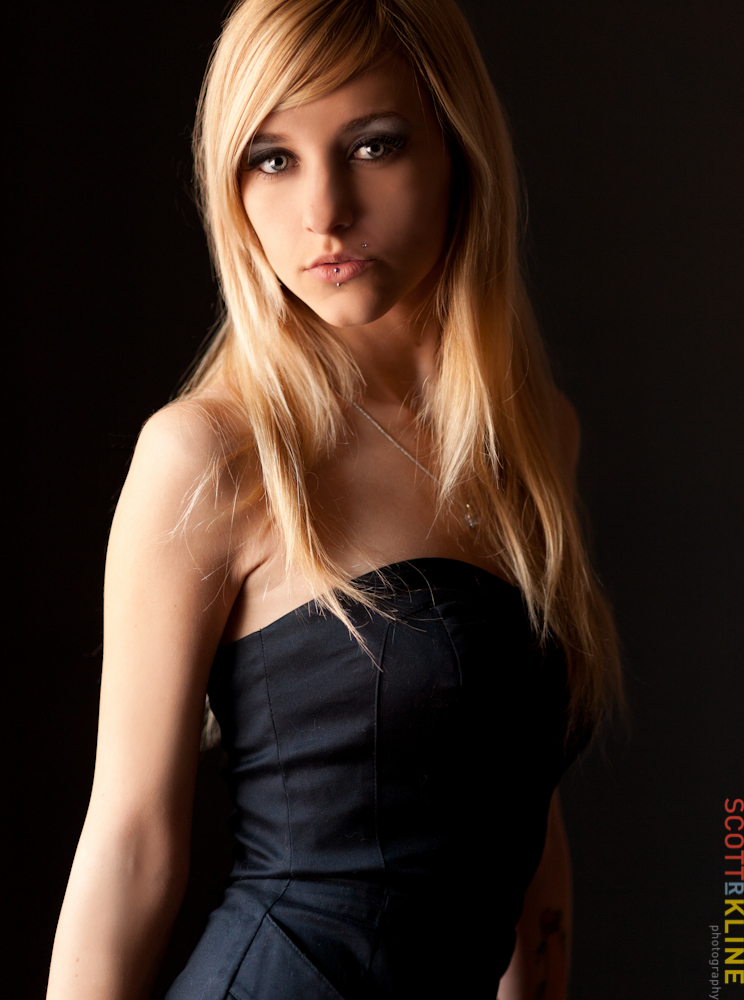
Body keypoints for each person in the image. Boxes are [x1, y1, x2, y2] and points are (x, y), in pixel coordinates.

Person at [47, 0, 621, 997]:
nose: (323, 211)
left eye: (373, 145)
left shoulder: (535, 439)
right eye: (272, 158)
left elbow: (526, 818)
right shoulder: (212, 454)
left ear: (457, 151)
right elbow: (130, 845)